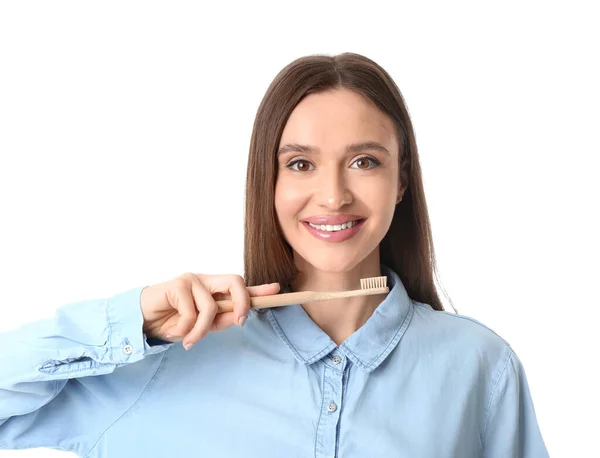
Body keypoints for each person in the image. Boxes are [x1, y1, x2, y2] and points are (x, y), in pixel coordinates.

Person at [0, 53, 549, 457]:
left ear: (402, 181)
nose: (334, 196)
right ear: (267, 182)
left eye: (364, 162)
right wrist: (133, 320)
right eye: (301, 164)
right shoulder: (160, 361)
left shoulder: (479, 366)